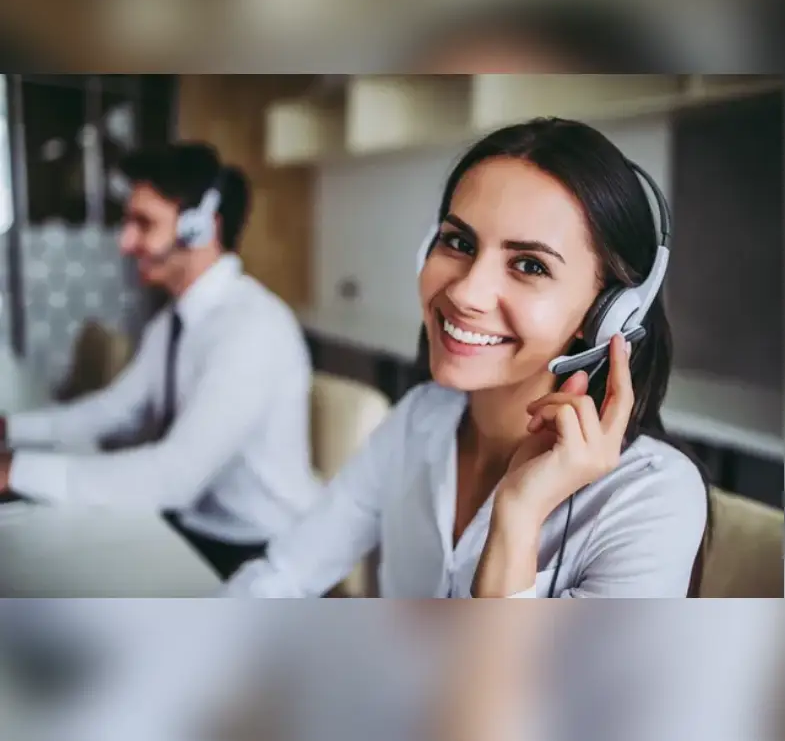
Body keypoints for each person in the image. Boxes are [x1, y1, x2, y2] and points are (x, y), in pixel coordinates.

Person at [223, 118, 709, 599]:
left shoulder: (651, 499)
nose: (467, 292)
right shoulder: (418, 422)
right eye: (458, 242)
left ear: (609, 313)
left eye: (529, 265)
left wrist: (518, 517)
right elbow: (283, 574)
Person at [0, 142, 322, 580]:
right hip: (195, 525)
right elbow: (114, 410)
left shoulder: (250, 330)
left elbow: (172, 477)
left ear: (200, 228)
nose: (125, 242)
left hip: (258, 549)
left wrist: (17, 471)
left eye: (144, 223)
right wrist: (10, 431)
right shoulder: (174, 321)